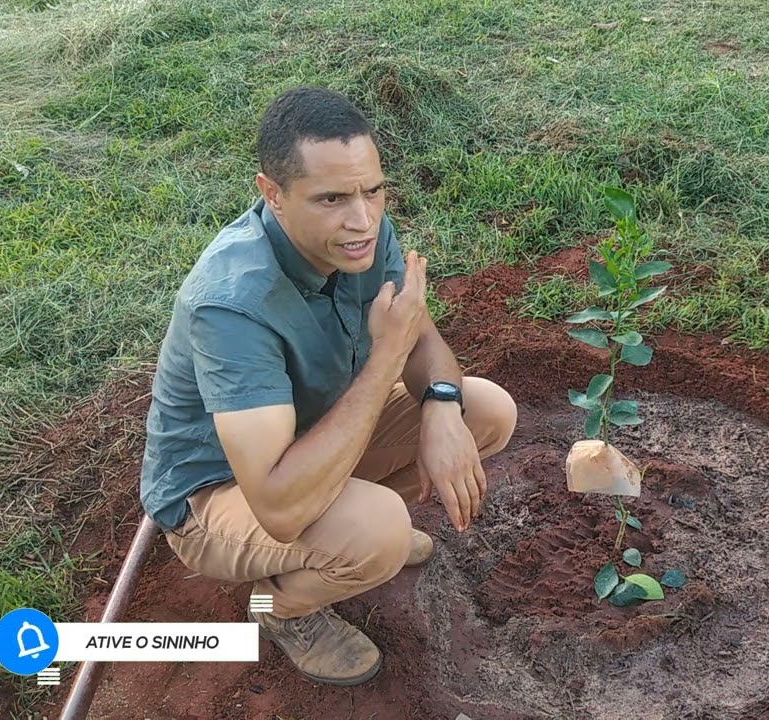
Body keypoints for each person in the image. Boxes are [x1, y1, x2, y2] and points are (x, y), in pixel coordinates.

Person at [138, 86, 517, 687]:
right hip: (220, 489)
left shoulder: (360, 233)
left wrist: (443, 408)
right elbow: (281, 506)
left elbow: (421, 340)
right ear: (273, 194)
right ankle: (279, 607)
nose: (362, 219)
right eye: (332, 198)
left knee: (484, 409)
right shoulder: (232, 305)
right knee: (377, 533)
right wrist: (385, 355)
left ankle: (348, 530)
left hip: (313, 432)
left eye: (373, 190)